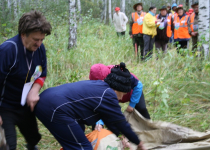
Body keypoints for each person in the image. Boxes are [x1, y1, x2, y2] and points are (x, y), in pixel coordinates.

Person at [34, 63, 146, 150]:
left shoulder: (100, 86)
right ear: (117, 89)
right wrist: (139, 143)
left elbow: (111, 121)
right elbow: (120, 122)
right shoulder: (108, 95)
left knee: (78, 135)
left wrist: (118, 137)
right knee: (83, 147)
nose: (121, 99)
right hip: (55, 108)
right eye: (122, 94)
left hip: (46, 100)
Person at [0, 11, 52, 150]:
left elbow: (42, 73)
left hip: (24, 104)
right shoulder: (8, 50)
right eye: (36, 39)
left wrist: (34, 91)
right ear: (23, 34)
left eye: (42, 39)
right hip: (5, 106)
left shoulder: (39, 49)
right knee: (8, 145)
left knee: (34, 137)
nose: (39, 43)